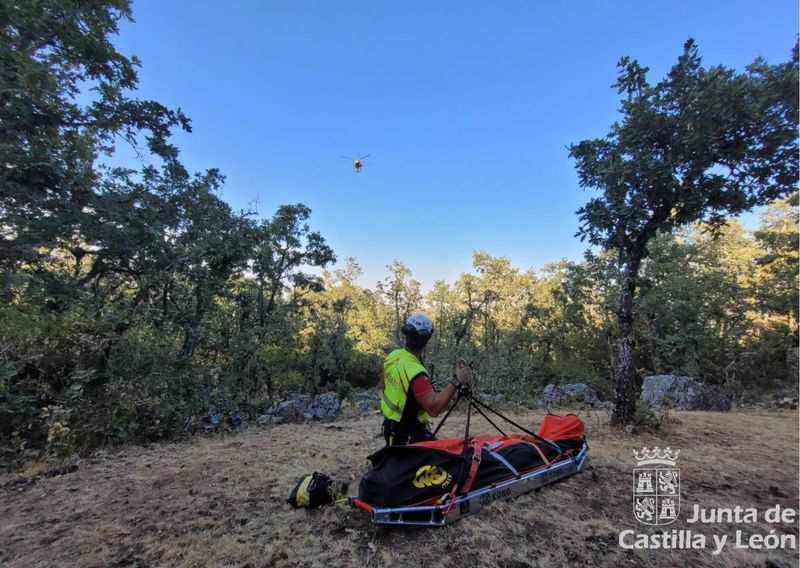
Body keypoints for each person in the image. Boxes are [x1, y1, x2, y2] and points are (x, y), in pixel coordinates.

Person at [380, 313, 475, 446]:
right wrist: (457, 380)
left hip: (391, 428)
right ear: (427, 340)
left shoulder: (393, 356)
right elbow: (434, 408)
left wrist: (414, 397)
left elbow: (384, 387)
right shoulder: (416, 373)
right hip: (408, 437)